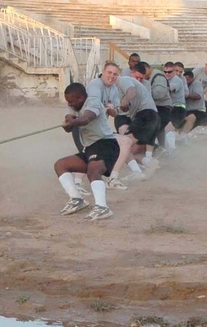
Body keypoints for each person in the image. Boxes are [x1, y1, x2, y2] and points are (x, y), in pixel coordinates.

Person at [54, 82, 119, 221]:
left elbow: (86, 119)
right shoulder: (73, 105)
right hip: (90, 148)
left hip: (106, 144)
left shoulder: (93, 102)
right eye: (68, 101)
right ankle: (77, 199)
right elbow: (69, 122)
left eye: (71, 101)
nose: (69, 104)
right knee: (61, 165)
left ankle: (102, 207)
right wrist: (68, 123)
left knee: (93, 171)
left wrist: (73, 122)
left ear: (81, 98)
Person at [87, 62, 145, 188]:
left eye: (115, 74)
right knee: (123, 142)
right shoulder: (95, 85)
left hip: (100, 129)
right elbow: (93, 105)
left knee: (123, 143)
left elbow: (115, 113)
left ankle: (113, 178)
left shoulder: (113, 89)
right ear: (102, 72)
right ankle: (112, 179)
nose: (112, 76)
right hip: (88, 128)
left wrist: (113, 109)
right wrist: (105, 107)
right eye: (109, 73)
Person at [115, 64, 162, 173]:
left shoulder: (124, 80)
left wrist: (125, 100)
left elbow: (131, 92)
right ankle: (148, 162)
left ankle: (137, 171)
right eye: (137, 77)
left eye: (141, 78)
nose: (139, 80)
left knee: (123, 145)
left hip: (146, 116)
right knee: (131, 149)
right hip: (152, 116)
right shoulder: (119, 86)